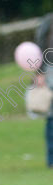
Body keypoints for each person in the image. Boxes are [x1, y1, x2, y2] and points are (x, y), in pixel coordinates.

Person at [35, 12, 53, 168]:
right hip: (50, 71)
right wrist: (39, 72)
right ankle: (51, 158)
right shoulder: (48, 21)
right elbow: (39, 47)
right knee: (52, 117)